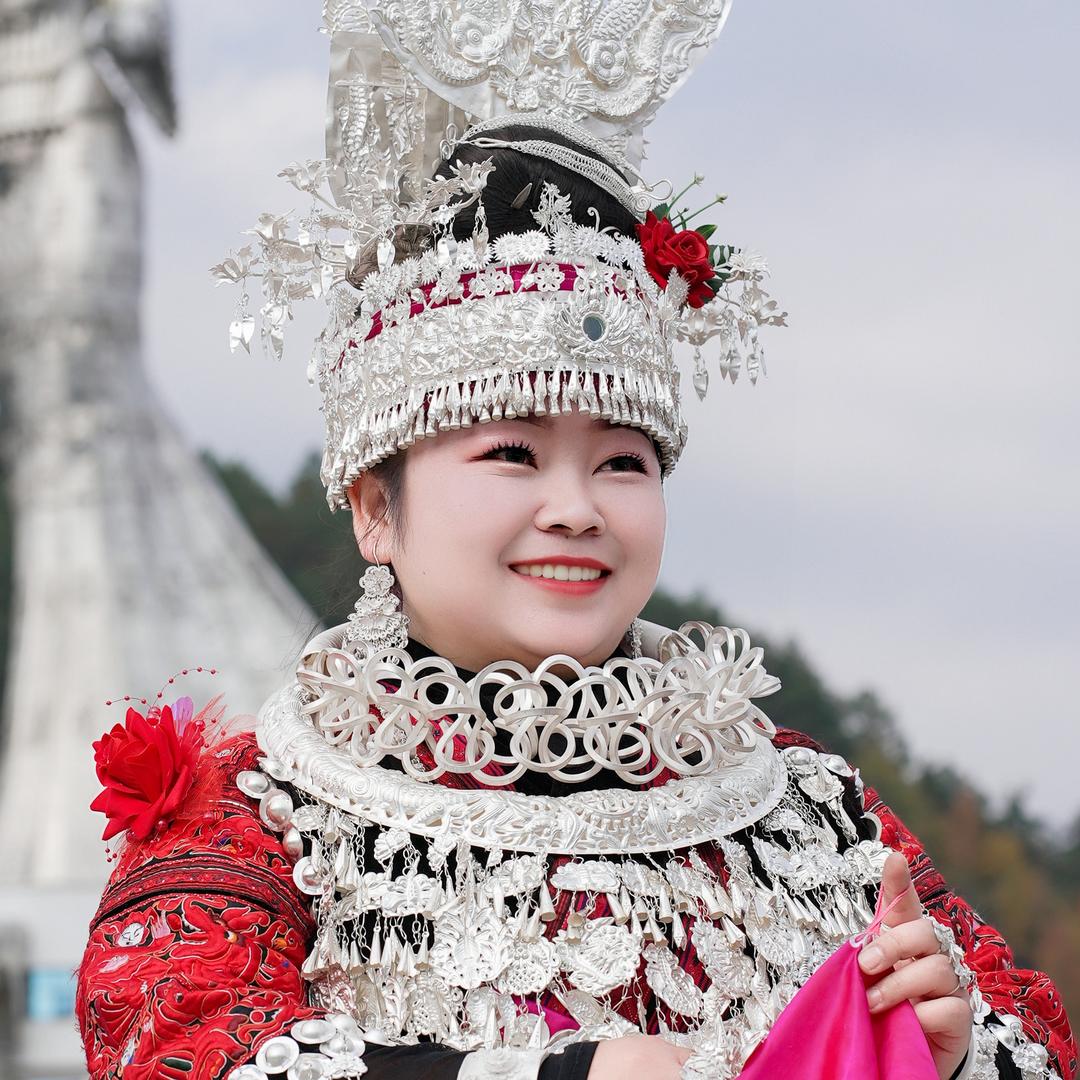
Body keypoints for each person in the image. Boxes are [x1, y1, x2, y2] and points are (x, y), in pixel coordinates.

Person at [75, 5, 1075, 1080]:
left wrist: (962, 1050)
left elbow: (1037, 1039)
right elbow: (174, 1045)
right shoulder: (261, 821)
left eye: (622, 461)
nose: (577, 508)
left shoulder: (810, 812)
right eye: (513, 451)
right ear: (374, 506)